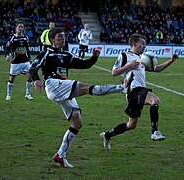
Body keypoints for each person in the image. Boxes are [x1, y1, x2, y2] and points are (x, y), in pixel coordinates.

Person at [29, 27, 124, 168]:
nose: (63, 39)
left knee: (77, 122)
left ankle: (60, 155)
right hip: (53, 85)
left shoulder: (66, 55)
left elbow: (83, 64)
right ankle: (121, 88)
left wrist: (94, 58)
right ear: (52, 39)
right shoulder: (46, 53)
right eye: (59, 37)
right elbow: (33, 68)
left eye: (63, 36)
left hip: (63, 89)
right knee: (87, 87)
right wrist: (36, 80)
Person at [100, 33, 178, 150]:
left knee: (131, 125)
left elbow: (156, 69)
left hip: (136, 93)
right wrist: (129, 66)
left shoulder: (142, 59)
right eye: (142, 43)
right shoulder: (125, 56)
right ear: (134, 43)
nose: (144, 46)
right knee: (155, 100)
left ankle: (107, 135)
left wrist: (171, 61)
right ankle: (155, 132)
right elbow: (114, 72)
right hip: (133, 90)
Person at [5, 21, 33, 101]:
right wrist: (7, 55)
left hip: (25, 62)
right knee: (11, 79)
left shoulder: (25, 38)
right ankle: (8, 94)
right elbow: (7, 47)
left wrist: (30, 58)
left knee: (30, 77)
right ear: (16, 28)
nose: (21, 28)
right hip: (15, 62)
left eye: (22, 27)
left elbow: (27, 49)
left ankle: (28, 94)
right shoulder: (13, 38)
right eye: (19, 27)